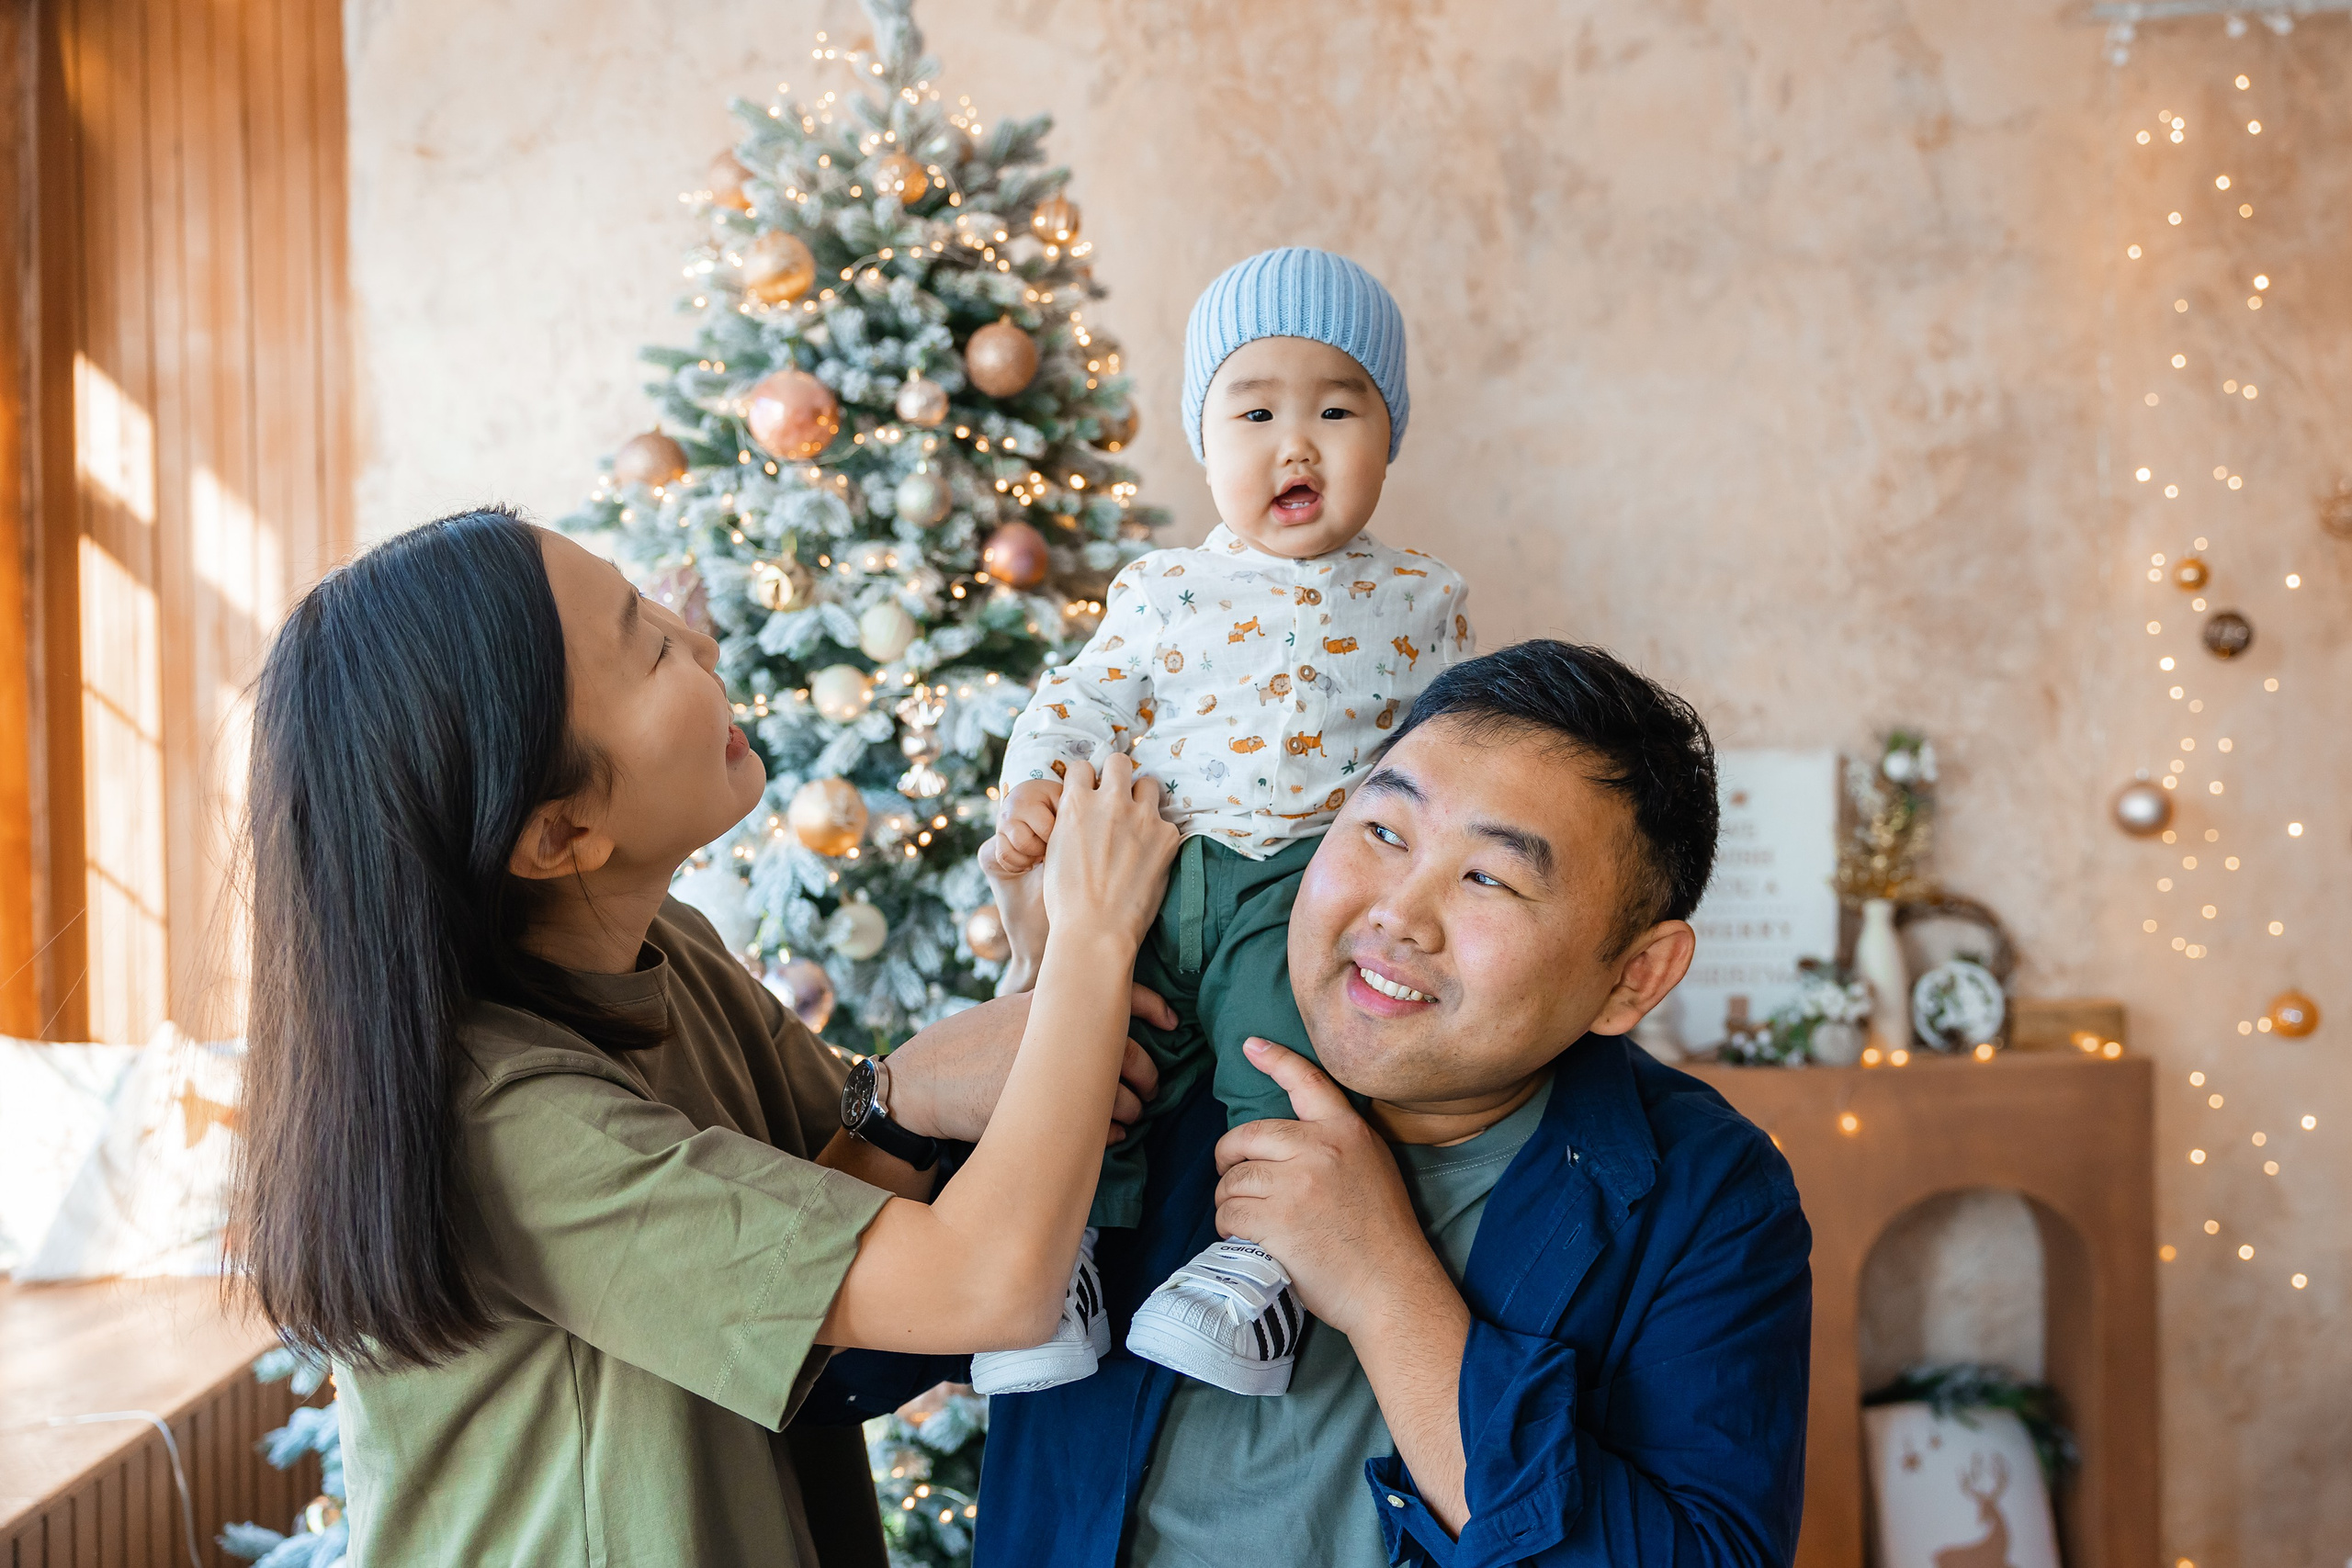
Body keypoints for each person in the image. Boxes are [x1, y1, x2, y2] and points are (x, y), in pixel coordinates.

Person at [228, 506, 1180, 1567]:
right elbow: (985, 1281)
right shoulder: (505, 1122)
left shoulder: (666, 950)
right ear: (560, 834)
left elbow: (878, 1239)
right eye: (650, 646)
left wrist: (1035, 961)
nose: (709, 645)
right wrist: (1094, 941)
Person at [968, 640, 1815, 1568]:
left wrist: (1384, 1288)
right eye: (1382, 833)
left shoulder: (1706, 1194)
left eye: (1489, 877)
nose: (1398, 914)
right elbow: (836, 1366)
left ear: (1635, 976)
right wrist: (904, 1093)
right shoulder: (1147, 1056)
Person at [972, 247, 1476, 1399]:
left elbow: (1457, 746)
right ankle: (1058, 1264)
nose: (1295, 443)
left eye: (1338, 409)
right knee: (1102, 1058)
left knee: (1278, 1042)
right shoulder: (1162, 591)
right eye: (1254, 411)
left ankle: (1255, 1270)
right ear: (1206, 446)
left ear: (1388, 438)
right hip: (1160, 867)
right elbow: (1079, 697)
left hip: (1303, 881)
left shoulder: (1423, 599)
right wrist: (1039, 789)